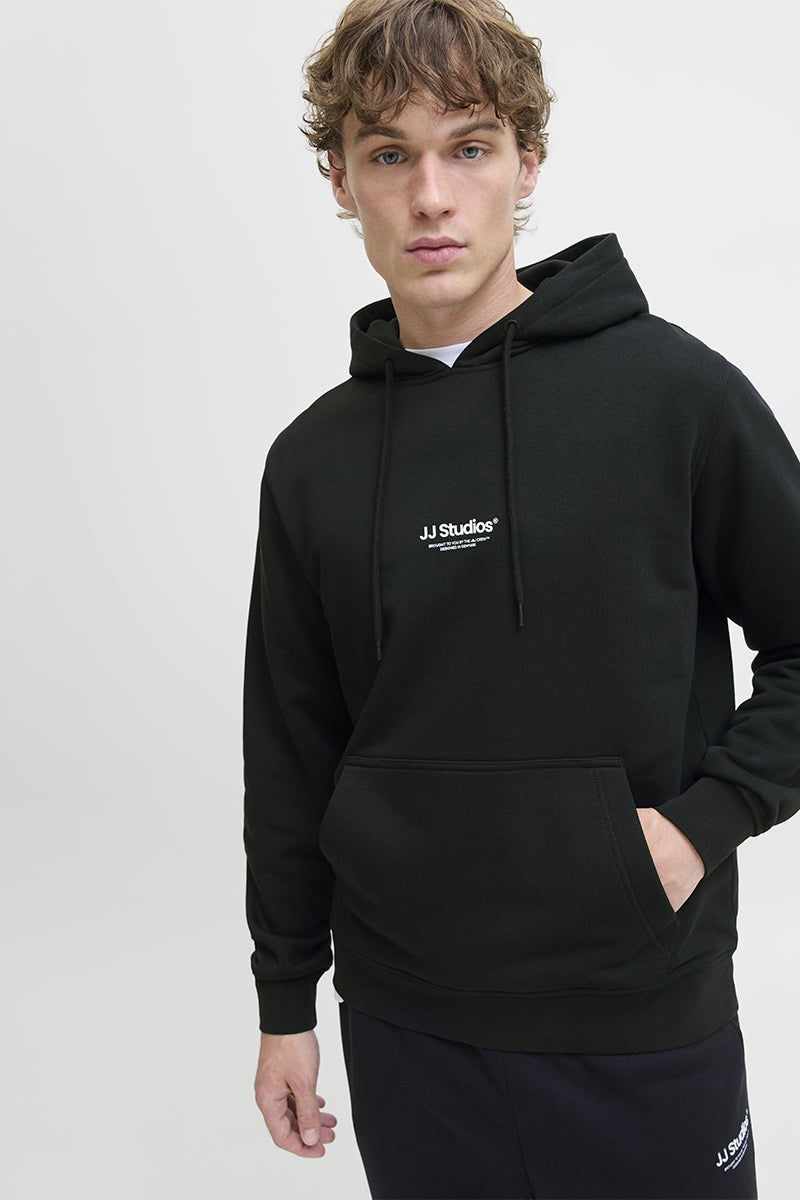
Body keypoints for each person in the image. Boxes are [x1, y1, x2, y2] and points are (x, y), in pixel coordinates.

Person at [242, 1, 800, 1196]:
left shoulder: (672, 397)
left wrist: (698, 827)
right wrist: (285, 1000)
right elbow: (291, 747)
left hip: (637, 1015)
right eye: (387, 154)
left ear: (526, 162)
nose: (429, 197)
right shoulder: (312, 461)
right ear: (339, 179)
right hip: (405, 1026)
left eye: (469, 147)